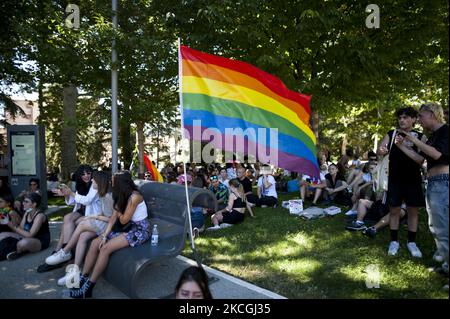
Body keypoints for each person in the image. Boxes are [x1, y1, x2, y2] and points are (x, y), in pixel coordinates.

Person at [67, 171, 151, 298]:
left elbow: (123, 220)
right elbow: (113, 217)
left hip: (139, 229)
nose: (111, 183)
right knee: (96, 242)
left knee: (105, 248)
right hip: (126, 227)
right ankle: (83, 277)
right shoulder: (121, 194)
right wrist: (105, 235)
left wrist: (118, 209)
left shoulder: (134, 197)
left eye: (113, 181)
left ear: (121, 183)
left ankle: (89, 287)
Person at [396, 102, 448, 287]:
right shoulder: (434, 136)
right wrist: (402, 146)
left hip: (443, 182)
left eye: (421, 116)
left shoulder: (445, 131)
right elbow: (421, 158)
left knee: (445, 228)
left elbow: (436, 155)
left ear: (432, 114)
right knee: (436, 227)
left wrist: (414, 139)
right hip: (434, 183)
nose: (419, 119)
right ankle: (446, 265)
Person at [45, 171, 113, 286]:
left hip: (108, 226)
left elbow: (112, 219)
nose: (91, 180)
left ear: (99, 182)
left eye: (94, 180)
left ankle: (65, 251)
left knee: (81, 225)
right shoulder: (102, 194)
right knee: (82, 236)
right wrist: (90, 217)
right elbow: (102, 211)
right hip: (101, 222)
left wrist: (94, 217)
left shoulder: (108, 196)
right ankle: (74, 272)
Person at [377, 107, 426, 258]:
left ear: (413, 119)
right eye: (400, 118)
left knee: (412, 211)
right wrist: (382, 150)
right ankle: (394, 241)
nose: (402, 120)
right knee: (394, 211)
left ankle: (412, 242)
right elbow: (380, 150)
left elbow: (420, 160)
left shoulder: (420, 137)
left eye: (405, 117)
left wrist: (403, 146)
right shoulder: (391, 134)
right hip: (394, 179)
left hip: (413, 179)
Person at [0, 193, 50, 260]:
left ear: (34, 204)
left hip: (39, 241)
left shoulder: (39, 216)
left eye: (26, 202)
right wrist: (12, 222)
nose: (23, 203)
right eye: (23, 201)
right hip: (25, 236)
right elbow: (20, 229)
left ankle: (17, 252)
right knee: (2, 235)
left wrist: (9, 223)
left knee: (23, 243)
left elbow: (30, 235)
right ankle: (13, 250)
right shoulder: (27, 213)